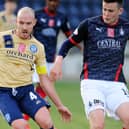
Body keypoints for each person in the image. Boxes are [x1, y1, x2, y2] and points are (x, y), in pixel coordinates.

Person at [50, 0, 129, 129]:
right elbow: (67, 43)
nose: (106, 14)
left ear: (120, 11)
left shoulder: (126, 26)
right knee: (98, 125)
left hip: (116, 83)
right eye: (104, 9)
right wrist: (58, 62)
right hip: (92, 82)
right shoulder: (89, 24)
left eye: (110, 11)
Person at [0, 7, 71, 129]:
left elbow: (44, 79)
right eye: (21, 23)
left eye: (28, 23)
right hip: (4, 92)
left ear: (34, 23)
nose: (24, 27)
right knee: (21, 125)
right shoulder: (2, 38)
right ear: (16, 22)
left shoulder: (38, 47)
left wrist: (60, 105)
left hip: (26, 91)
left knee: (46, 122)